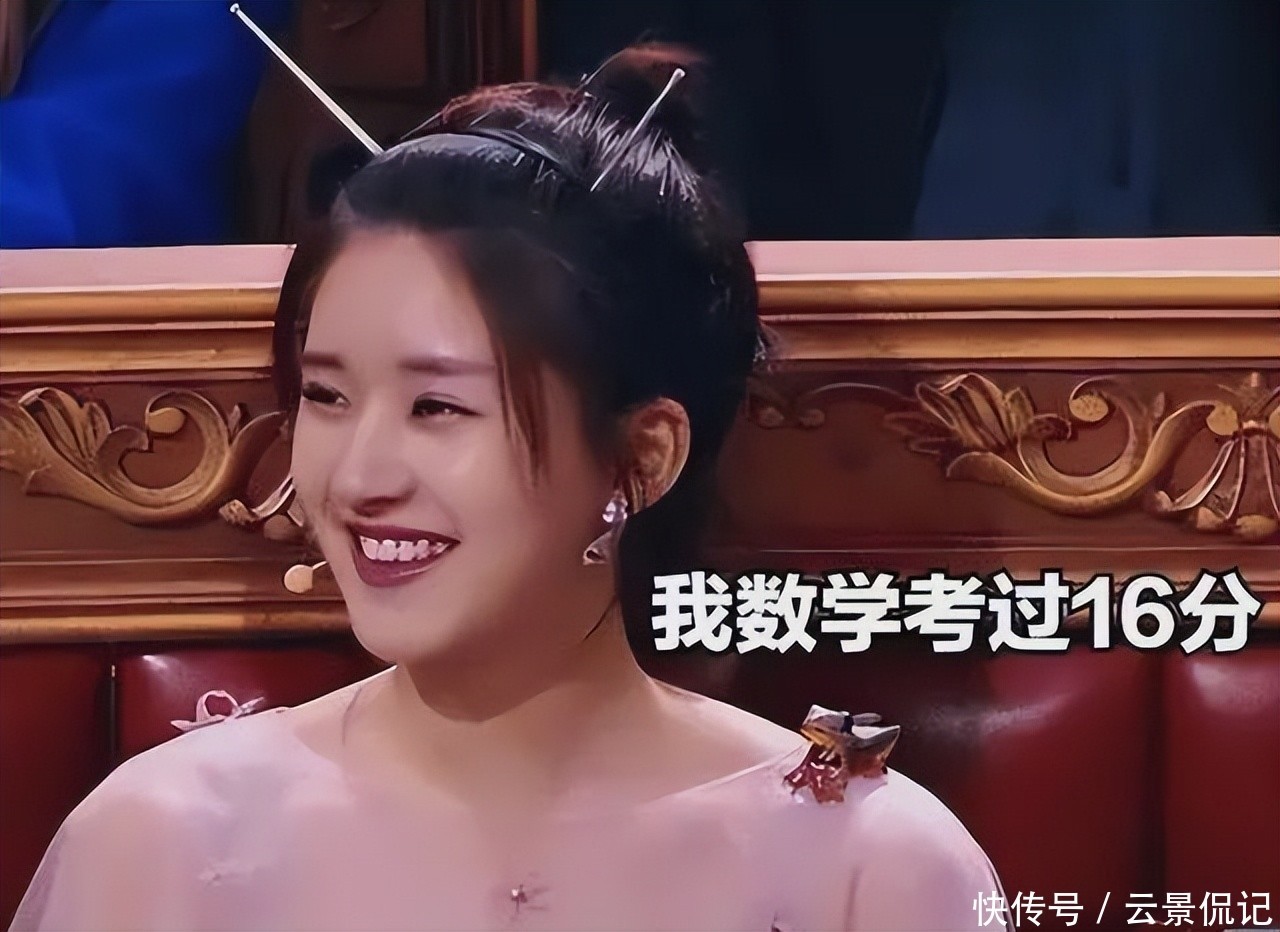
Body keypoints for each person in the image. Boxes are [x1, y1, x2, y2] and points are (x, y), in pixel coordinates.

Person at [11, 46, 1009, 931]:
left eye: (438, 407)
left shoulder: (868, 865)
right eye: (325, 395)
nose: (356, 477)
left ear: (643, 455)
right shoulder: (161, 839)